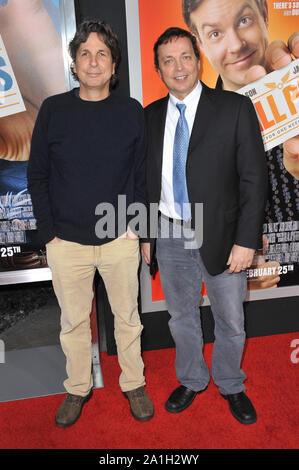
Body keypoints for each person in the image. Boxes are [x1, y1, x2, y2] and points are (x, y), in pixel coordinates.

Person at [27, 19, 154, 427]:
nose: (94, 61)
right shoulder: (53, 110)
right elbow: (38, 175)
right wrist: (50, 234)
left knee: (128, 318)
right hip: (67, 242)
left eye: (102, 54)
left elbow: (142, 177)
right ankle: (78, 387)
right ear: (74, 64)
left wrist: (139, 229)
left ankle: (133, 382)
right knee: (74, 322)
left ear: (113, 65)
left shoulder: (131, 111)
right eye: (85, 53)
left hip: (120, 238)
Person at [141, 27, 267, 425]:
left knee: (230, 319)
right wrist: (147, 233)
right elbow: (144, 181)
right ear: (158, 69)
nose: (178, 67)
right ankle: (192, 379)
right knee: (180, 317)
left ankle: (231, 383)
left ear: (198, 60)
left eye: (185, 57)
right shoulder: (149, 117)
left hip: (224, 235)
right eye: (168, 60)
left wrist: (246, 240)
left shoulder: (233, 107)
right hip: (169, 232)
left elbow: (254, 177)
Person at [182, 0, 299, 287]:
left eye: (244, 20)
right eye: (215, 33)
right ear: (199, 44)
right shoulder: (193, 123)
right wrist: (234, 277)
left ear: (265, 14)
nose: (235, 45)